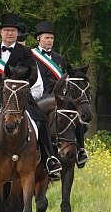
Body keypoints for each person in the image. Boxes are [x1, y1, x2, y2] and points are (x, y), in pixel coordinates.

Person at [0, 13, 62, 181]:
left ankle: (49, 159)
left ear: (17, 34)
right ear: (1, 33)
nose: (10, 33)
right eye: (7, 30)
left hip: (19, 94)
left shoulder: (25, 52)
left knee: (42, 120)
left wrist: (19, 84)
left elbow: (32, 75)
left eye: (13, 31)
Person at [31, 20, 89, 167]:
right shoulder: (31, 56)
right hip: (40, 96)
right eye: (46, 38)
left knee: (75, 117)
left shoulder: (59, 58)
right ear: (39, 39)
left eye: (51, 38)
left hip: (59, 97)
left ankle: (81, 151)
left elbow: (64, 78)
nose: (50, 41)